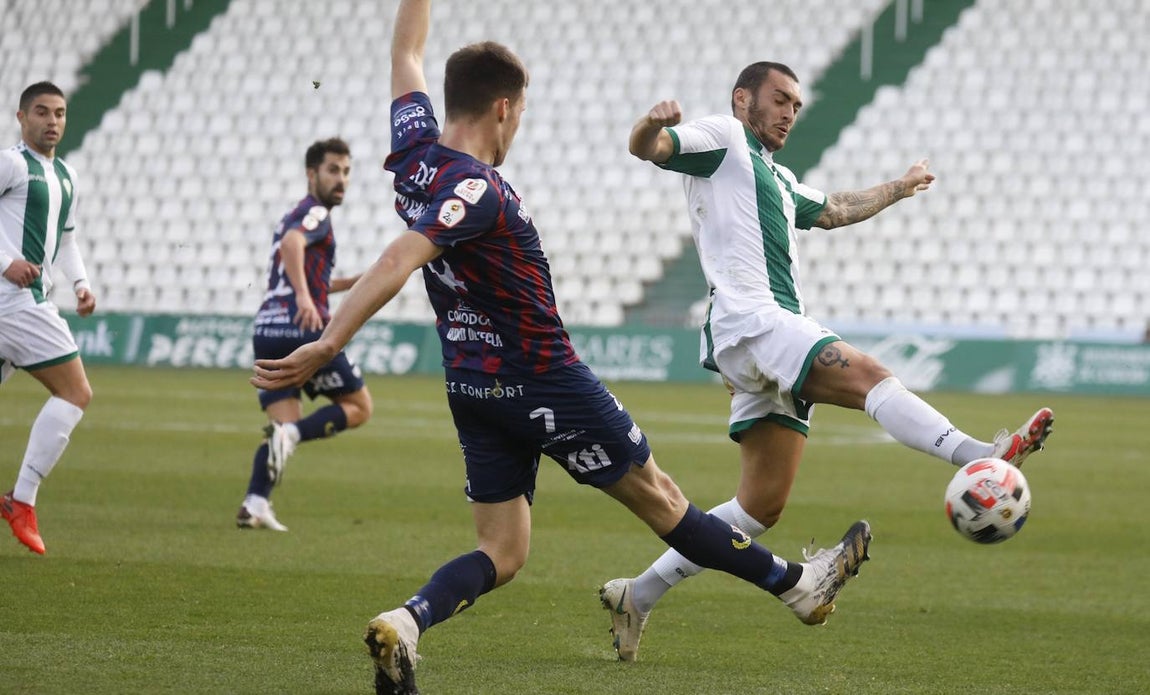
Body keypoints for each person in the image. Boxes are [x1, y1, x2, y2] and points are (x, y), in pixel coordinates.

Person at [252, 4, 871, 692]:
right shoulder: (475, 188)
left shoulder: (414, 157)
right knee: (664, 499)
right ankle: (798, 586)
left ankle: (407, 620)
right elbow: (400, 256)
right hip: (544, 378)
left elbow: (406, 54)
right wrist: (329, 340)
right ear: (505, 109)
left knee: (503, 549)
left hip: (472, 386)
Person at [599, 62, 1055, 661]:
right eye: (780, 99)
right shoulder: (725, 138)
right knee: (869, 376)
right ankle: (980, 455)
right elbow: (653, 148)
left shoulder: (777, 178)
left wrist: (899, 185)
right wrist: (648, 127)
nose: (791, 111)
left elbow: (836, 207)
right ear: (743, 100)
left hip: (758, 336)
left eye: (797, 104)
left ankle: (640, 593)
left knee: (759, 507)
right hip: (755, 321)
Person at [237, 137, 372, 532]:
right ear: (311, 174)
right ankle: (294, 435)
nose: (341, 179)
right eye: (333, 170)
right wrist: (303, 297)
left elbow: (315, 279)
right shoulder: (314, 214)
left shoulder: (294, 212)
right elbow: (293, 243)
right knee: (360, 407)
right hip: (304, 330)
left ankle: (255, 502)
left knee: (280, 428)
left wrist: (362, 280)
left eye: (346, 171)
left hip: (268, 328)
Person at [0, 81, 96, 555]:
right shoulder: (10, 163)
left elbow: (68, 238)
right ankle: (22, 500)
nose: (52, 121)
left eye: (59, 113)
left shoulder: (66, 176)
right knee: (76, 390)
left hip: (26, 300)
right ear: (22, 117)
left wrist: (79, 284)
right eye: (42, 112)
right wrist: (5, 262)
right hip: (13, 300)